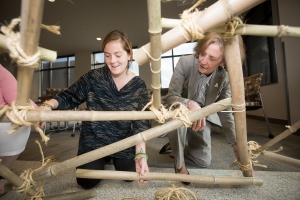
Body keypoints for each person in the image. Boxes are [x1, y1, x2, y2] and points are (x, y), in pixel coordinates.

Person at [38, 30, 151, 189]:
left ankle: (111, 157)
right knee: (86, 181)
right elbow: (69, 96)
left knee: (130, 175)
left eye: (118, 55)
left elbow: (141, 124)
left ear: (129, 55)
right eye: (107, 55)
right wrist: (47, 106)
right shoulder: (93, 77)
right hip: (93, 140)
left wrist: (141, 155)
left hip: (123, 142)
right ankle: (102, 157)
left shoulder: (139, 85)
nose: (112, 61)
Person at [161, 32, 245, 185]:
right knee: (178, 113)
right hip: (178, 111)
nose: (203, 61)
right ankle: (179, 165)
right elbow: (171, 97)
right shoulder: (185, 63)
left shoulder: (224, 77)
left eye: (212, 58)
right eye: (202, 53)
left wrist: (235, 145)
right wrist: (189, 103)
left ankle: (174, 147)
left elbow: (225, 111)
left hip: (200, 119)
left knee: (203, 161)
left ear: (223, 62)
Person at [0, 64, 38, 196]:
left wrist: (36, 111)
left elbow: (18, 98)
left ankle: (3, 173)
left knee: (21, 122)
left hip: (4, 120)